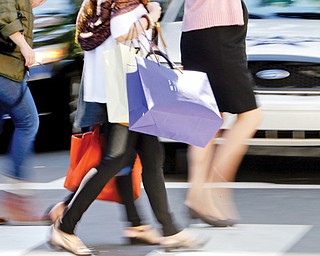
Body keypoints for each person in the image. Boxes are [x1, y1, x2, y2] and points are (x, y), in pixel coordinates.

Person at [47, 1, 202, 255]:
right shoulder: (125, 9)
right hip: (127, 95)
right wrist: (151, 16)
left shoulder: (101, 9)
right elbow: (122, 32)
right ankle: (65, 227)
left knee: (151, 158)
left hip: (123, 94)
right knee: (115, 159)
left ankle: (170, 230)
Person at [180, 0, 263, 226]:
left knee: (210, 118)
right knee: (250, 116)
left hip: (199, 30)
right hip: (217, 30)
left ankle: (197, 193)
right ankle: (213, 189)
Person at [0, 0, 49, 224]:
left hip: (8, 67)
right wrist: (24, 45)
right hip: (5, 68)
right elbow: (4, 12)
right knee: (28, 122)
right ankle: (16, 198)